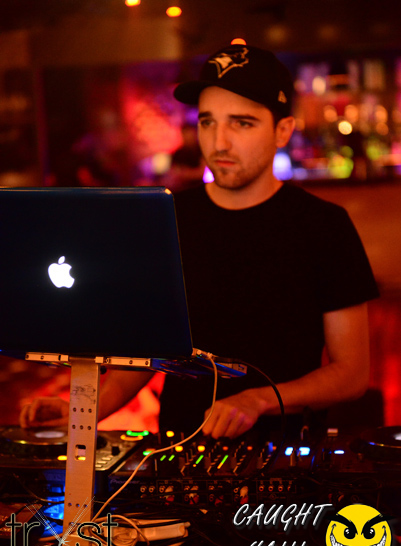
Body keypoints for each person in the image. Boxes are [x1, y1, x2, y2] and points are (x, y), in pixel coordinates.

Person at [20, 44, 379, 440]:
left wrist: (259, 400)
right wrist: (84, 409)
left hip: (287, 453)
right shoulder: (167, 217)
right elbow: (145, 351)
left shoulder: (324, 225)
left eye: (242, 123)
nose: (219, 142)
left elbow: (351, 374)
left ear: (283, 130)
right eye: (208, 122)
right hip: (178, 448)